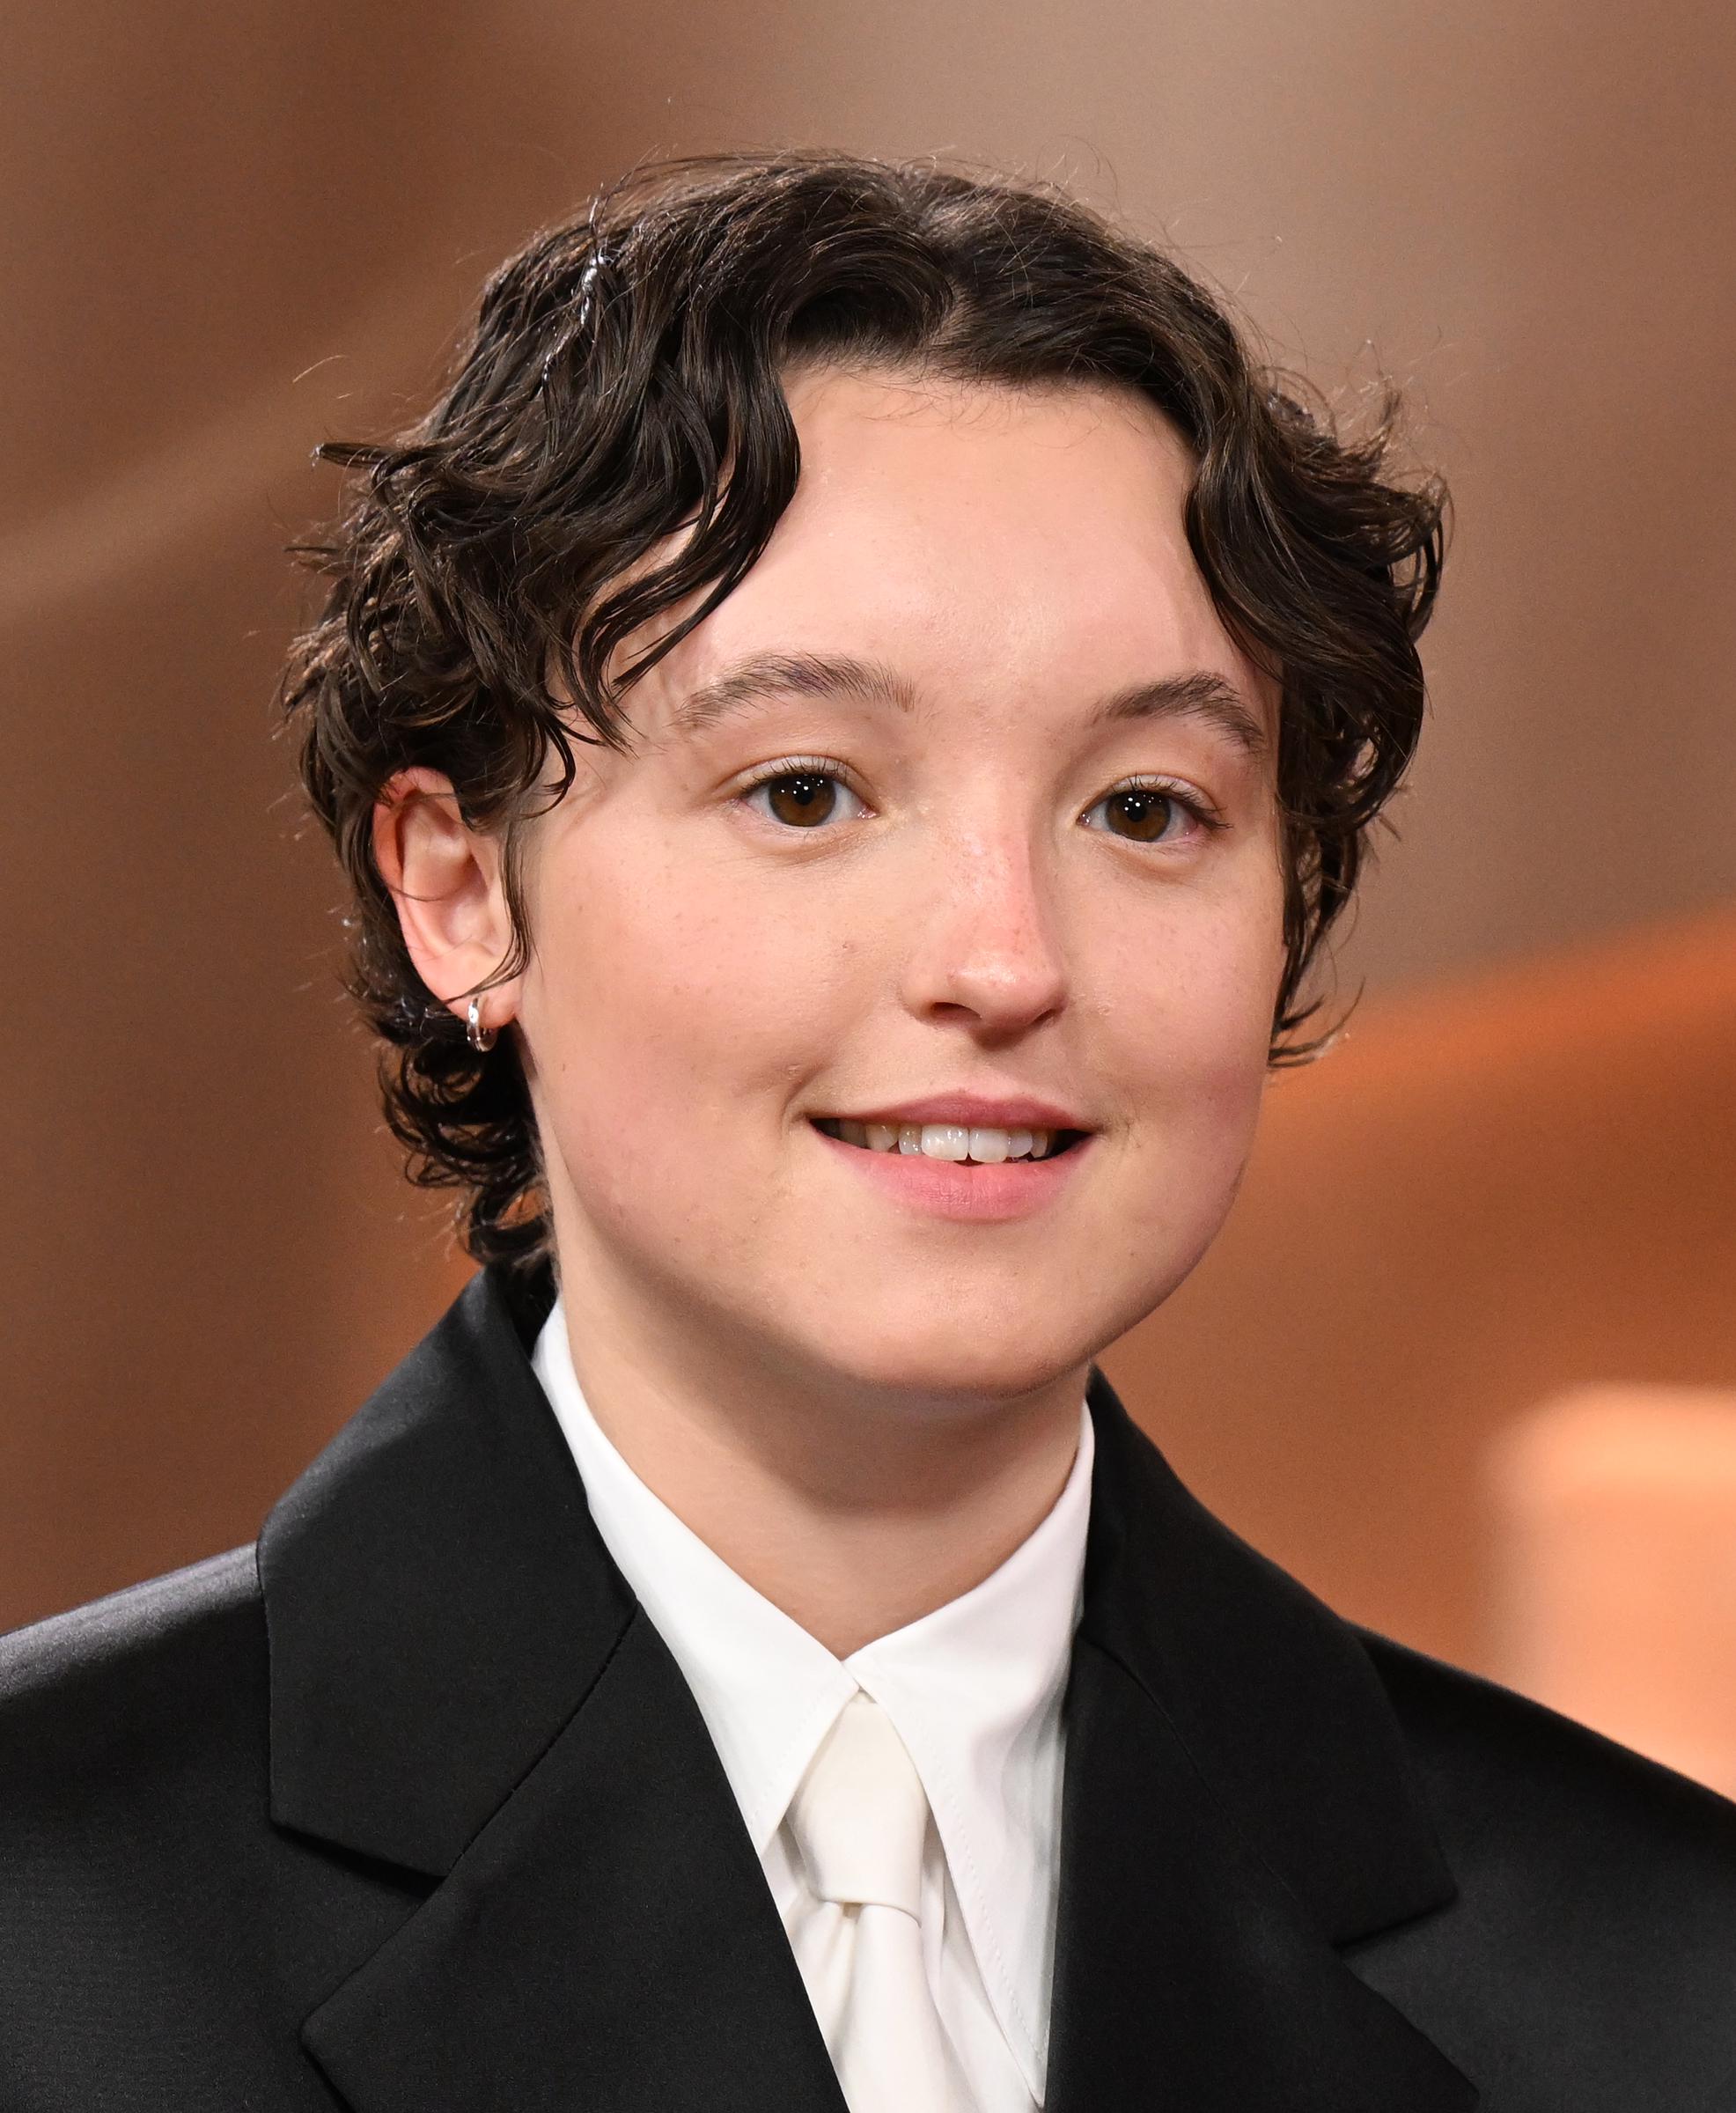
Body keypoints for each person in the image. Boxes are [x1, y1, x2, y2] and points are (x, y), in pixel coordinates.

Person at [2, 149, 1732, 2113]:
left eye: (1145, 810)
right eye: (808, 790)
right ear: (461, 886)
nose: (1002, 960)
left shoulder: (1660, 1969)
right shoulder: (40, 1916)